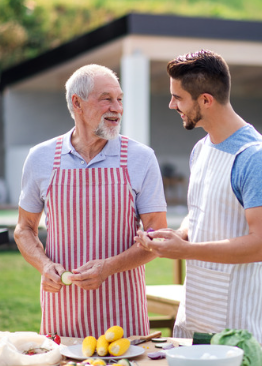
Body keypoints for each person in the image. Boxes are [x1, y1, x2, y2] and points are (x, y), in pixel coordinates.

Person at [136, 50, 262, 346]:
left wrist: (185, 250)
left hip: (239, 320)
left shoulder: (254, 156)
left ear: (205, 100)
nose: (171, 104)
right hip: (196, 310)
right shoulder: (200, 150)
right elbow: (202, 211)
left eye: (178, 97)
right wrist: (178, 235)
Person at [14, 64, 167, 338]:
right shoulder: (40, 157)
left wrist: (109, 267)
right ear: (77, 103)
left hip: (124, 318)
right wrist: (44, 266)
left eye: (120, 99)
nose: (117, 108)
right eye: (106, 98)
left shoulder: (141, 158)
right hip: (61, 315)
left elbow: (158, 236)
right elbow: (24, 228)